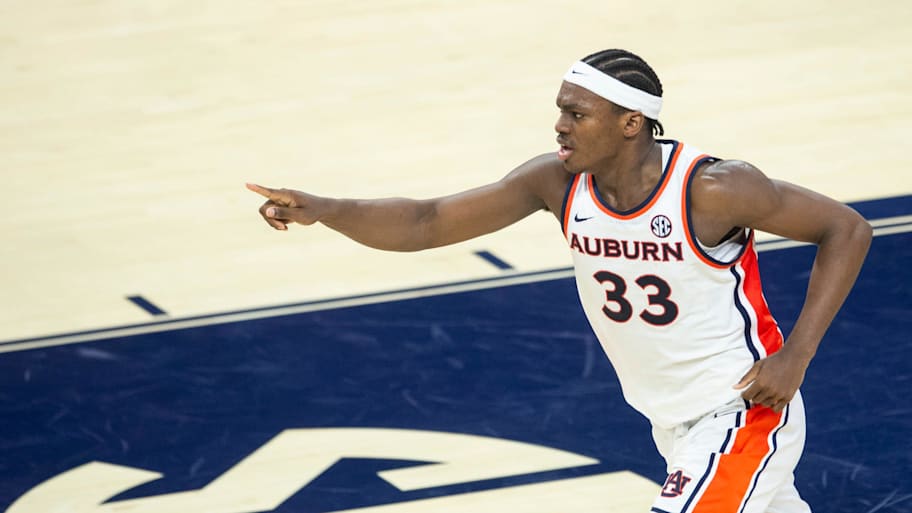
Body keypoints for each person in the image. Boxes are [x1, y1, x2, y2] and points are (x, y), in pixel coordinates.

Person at [247, 49, 871, 512]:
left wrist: (797, 355)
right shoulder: (556, 182)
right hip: (666, 419)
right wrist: (327, 210)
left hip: (740, 410)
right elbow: (426, 221)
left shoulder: (714, 188)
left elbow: (847, 230)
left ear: (630, 123)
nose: (560, 126)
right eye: (560, 112)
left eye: (577, 113)